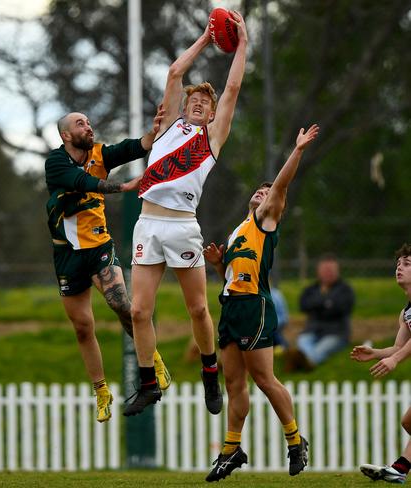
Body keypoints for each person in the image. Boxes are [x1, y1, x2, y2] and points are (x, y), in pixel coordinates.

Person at [123, 10, 248, 417]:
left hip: (181, 227)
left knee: (197, 309)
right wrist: (206, 37)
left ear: (211, 114)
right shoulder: (167, 127)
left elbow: (230, 89)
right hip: (148, 223)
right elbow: (176, 71)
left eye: (203, 103)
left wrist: (241, 44)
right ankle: (147, 384)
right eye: (193, 100)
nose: (197, 103)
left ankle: (210, 373)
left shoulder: (211, 139)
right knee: (139, 310)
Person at [202, 124, 319, 481]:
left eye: (267, 191)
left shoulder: (266, 219)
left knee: (265, 379)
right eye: (259, 189)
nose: (263, 192)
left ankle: (295, 441)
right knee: (235, 384)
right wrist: (218, 263)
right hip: (231, 306)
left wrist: (297, 150)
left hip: (255, 306)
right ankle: (231, 449)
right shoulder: (239, 230)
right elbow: (231, 272)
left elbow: (281, 185)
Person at [44, 109, 171, 423]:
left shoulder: (100, 153)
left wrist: (152, 134)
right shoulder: (56, 162)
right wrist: (122, 187)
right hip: (67, 254)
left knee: (121, 304)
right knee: (83, 328)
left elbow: (133, 147)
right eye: (79, 123)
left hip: (99, 245)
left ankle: (152, 358)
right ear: (65, 135)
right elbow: (81, 181)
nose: (87, 126)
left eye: (88, 121)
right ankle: (101, 391)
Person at [354, 244, 411, 484]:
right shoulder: (405, 312)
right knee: (408, 422)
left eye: (407, 264)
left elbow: (399, 354)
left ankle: (400, 469)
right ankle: (400, 470)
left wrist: (395, 360)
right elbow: (399, 348)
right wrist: (376, 352)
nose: (400, 268)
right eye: (398, 264)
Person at [286, 254, 355, 371]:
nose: (328, 273)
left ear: (337, 271)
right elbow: (303, 305)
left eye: (331, 270)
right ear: (318, 271)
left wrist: (318, 304)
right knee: (303, 341)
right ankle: (305, 361)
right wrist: (327, 303)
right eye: (325, 270)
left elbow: (341, 308)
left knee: (323, 348)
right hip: (312, 330)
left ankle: (303, 362)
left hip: (336, 333)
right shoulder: (311, 289)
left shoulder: (345, 290)